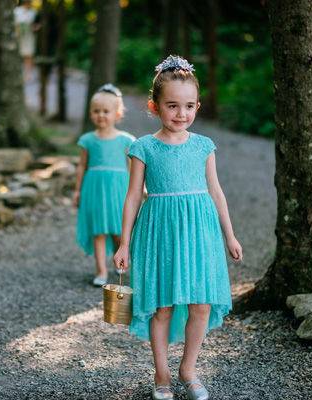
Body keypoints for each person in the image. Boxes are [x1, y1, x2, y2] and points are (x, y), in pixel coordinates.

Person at [113, 56, 242, 400]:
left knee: (201, 303)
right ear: (155, 106)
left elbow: (216, 191)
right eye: (172, 106)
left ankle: (189, 368)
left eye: (188, 106)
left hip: (200, 231)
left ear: (197, 105)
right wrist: (124, 243)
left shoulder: (203, 146)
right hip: (160, 231)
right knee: (163, 306)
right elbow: (132, 198)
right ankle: (162, 373)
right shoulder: (143, 147)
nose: (181, 114)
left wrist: (229, 234)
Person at [75, 84, 136, 287]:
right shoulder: (87, 140)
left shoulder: (126, 140)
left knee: (118, 230)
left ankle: (120, 260)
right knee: (98, 231)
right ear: (90, 113)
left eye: (106, 111)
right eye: (96, 111)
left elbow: (133, 168)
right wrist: (77, 190)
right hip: (94, 189)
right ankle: (101, 270)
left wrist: (140, 189)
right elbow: (82, 165)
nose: (101, 115)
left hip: (118, 189)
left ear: (117, 113)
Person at [14, 0, 38, 80]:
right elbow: (16, 24)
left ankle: (28, 74)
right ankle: (19, 73)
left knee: (29, 55)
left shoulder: (33, 12)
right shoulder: (17, 11)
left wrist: (35, 28)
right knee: (19, 54)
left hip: (29, 36)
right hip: (19, 35)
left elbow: (33, 25)